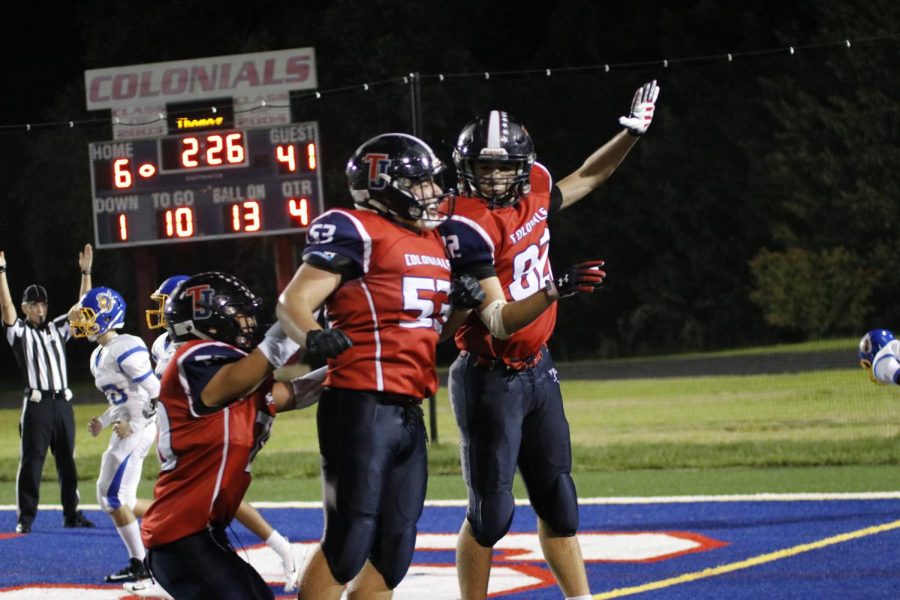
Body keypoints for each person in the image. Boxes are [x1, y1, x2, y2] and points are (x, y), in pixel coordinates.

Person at [439, 81, 660, 600]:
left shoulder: (536, 183)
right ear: (464, 167)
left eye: (501, 166)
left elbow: (587, 175)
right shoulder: (465, 224)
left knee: (559, 502)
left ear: (522, 165)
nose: (492, 177)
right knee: (491, 515)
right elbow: (497, 321)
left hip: (539, 369)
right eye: (482, 166)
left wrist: (630, 133)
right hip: (489, 375)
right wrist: (552, 290)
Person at [276, 132, 484, 599]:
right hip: (360, 403)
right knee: (348, 543)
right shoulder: (357, 229)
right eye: (422, 183)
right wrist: (312, 334)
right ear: (386, 185)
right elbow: (293, 300)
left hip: (408, 409)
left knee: (393, 554)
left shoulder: (432, 241)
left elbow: (430, 333)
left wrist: (462, 309)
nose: (433, 193)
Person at [140, 271, 322, 599]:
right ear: (209, 323)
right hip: (180, 536)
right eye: (240, 315)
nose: (249, 323)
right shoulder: (191, 359)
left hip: (203, 534)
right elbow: (251, 370)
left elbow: (294, 392)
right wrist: (298, 316)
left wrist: (355, 367)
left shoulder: (234, 379)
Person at [0, 245, 96, 534]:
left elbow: (82, 309)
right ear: (25, 308)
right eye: (34, 304)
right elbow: (5, 309)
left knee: (68, 461)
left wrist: (86, 272)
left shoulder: (56, 328)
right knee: (33, 462)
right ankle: (25, 518)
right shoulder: (20, 332)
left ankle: (72, 513)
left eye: (43, 303)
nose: (40, 308)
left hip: (62, 404)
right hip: (38, 405)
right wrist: (2, 273)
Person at [69, 286, 158, 583]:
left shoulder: (126, 346)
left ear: (108, 316)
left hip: (140, 427)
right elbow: (119, 402)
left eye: (89, 315)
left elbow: (157, 394)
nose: (83, 321)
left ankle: (142, 564)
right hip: (125, 427)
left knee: (113, 495)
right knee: (113, 496)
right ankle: (156, 542)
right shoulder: (99, 354)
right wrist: (104, 421)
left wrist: (136, 424)